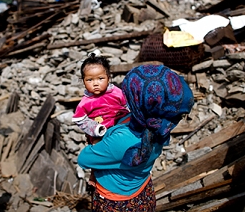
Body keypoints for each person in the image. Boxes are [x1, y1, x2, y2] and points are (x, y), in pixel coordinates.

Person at [78, 64, 194, 211]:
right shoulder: (162, 124)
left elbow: (84, 159)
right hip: (143, 192)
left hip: (116, 203)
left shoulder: (124, 139)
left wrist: (97, 138)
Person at [72, 53, 129, 144]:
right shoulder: (85, 102)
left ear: (108, 78)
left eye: (100, 78)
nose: (95, 83)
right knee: (97, 146)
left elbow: (127, 106)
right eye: (90, 80)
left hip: (122, 125)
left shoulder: (116, 92)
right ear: (83, 81)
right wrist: (95, 128)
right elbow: (80, 120)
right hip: (102, 133)